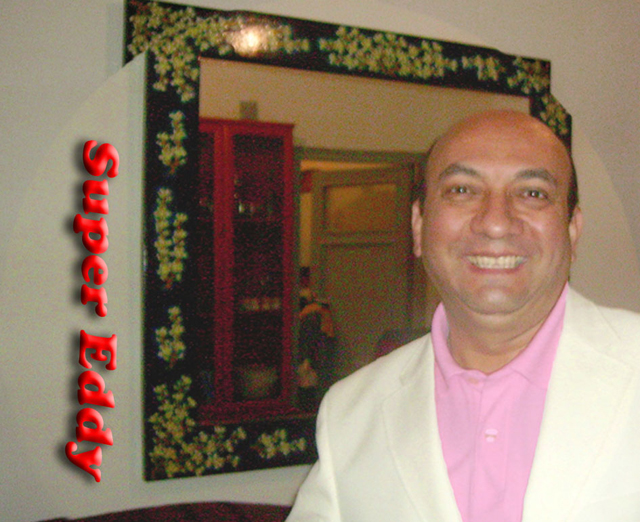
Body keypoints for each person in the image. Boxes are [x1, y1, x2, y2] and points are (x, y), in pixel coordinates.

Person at [286, 110, 640, 522]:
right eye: (461, 190)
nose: (495, 223)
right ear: (419, 226)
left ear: (572, 230)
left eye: (532, 193)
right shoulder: (351, 413)